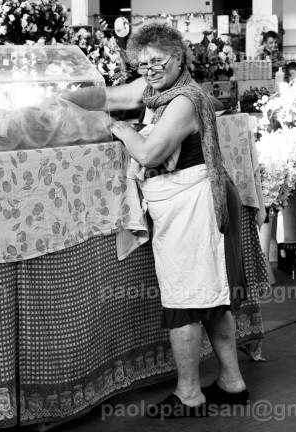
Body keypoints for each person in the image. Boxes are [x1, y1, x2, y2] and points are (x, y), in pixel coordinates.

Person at [64, 22, 265, 418]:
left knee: (186, 301)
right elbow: (108, 93)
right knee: (212, 297)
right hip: (188, 202)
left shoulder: (185, 100)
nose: (150, 69)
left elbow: (151, 153)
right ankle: (231, 381)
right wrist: (61, 99)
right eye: (142, 63)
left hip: (196, 205)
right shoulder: (155, 88)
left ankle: (189, 394)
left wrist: (121, 130)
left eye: (158, 60)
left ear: (179, 57)